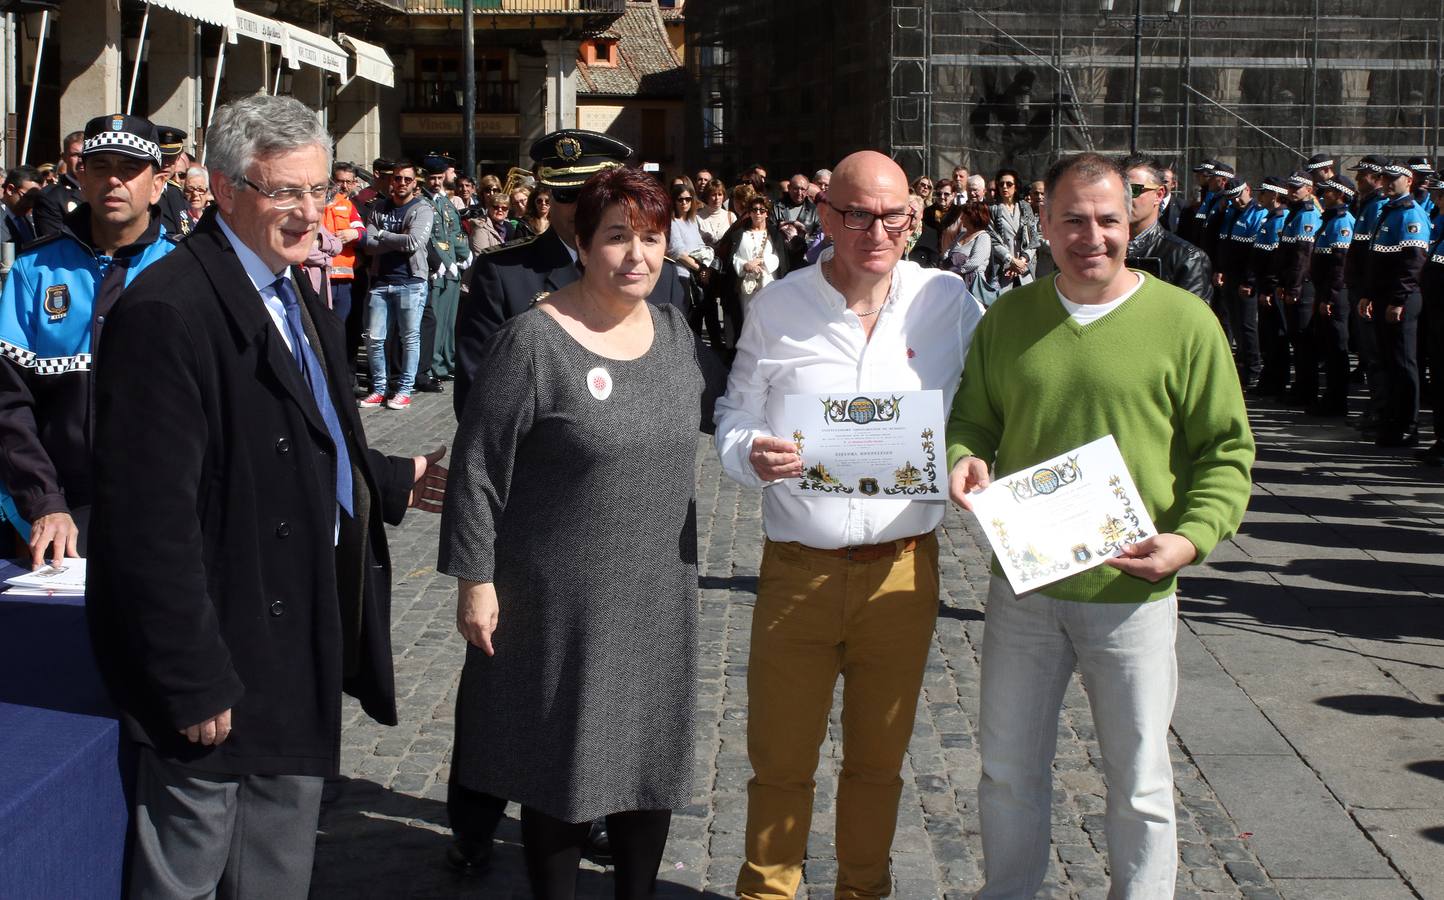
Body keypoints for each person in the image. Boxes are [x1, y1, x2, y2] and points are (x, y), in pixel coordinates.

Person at [85, 94, 446, 900]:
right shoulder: (168, 313)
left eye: (318, 189)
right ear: (223, 186)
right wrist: (190, 675)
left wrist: (394, 479)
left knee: (278, 869)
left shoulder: (295, 294)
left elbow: (301, 435)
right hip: (220, 654)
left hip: (297, 634)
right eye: (284, 191)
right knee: (189, 873)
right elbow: (147, 523)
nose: (309, 210)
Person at [946, 151, 1254, 900]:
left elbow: (1227, 452)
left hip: (1134, 594)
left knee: (1141, 782)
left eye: (1109, 219)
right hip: (1027, 589)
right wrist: (964, 458)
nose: (1093, 236)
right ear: (1044, 223)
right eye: (1074, 220)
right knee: (1009, 770)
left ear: (1134, 221)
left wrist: (1188, 540)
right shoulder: (1011, 317)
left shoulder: (1185, 323)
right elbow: (974, 419)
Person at [441, 166, 724, 900]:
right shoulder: (533, 341)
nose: (638, 255)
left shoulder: (673, 332)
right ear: (582, 240)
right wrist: (475, 581)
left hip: (658, 587)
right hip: (557, 593)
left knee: (647, 759)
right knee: (560, 765)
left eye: (653, 238)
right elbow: (476, 469)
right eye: (618, 237)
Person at [714, 150, 985, 900]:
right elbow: (735, 410)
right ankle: (767, 891)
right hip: (800, 570)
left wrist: (974, 457)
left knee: (877, 761)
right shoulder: (779, 305)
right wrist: (748, 453)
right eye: (857, 213)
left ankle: (864, 890)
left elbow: (985, 408)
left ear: (914, 216)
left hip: (902, 569)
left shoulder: (949, 302)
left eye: (893, 214)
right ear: (826, 216)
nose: (876, 229)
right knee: (779, 760)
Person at [0, 113, 175, 566]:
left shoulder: (186, 271)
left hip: (165, 516)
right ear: (81, 177)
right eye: (100, 167)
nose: (113, 179)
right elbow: (8, 400)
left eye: (130, 168)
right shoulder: (33, 270)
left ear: (158, 184)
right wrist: (43, 503)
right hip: (53, 519)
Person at [452, 130, 688, 419]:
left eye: (592, 194)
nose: (581, 207)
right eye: (567, 194)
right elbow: (476, 392)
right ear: (547, 196)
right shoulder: (504, 273)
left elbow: (683, 382)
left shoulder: (659, 275)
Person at [1359, 160, 1430, 447]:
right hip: (1383, 297)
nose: (1388, 183)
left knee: (1403, 362)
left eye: (1394, 179)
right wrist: (1368, 294)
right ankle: (1391, 418)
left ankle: (1407, 424)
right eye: (1385, 178)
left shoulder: (1410, 213)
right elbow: (1375, 261)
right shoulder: (1387, 211)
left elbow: (1413, 263)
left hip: (1401, 299)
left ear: (1408, 181)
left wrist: (1399, 300)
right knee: (1387, 361)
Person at [358, 159, 433, 411]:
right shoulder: (379, 207)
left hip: (411, 282)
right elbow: (367, 243)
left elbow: (413, 243)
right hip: (381, 282)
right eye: (397, 178)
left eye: (407, 179)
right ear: (391, 180)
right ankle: (379, 389)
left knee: (409, 338)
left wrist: (382, 235)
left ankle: (404, 389)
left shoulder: (422, 209)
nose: (401, 183)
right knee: (374, 338)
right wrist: (389, 238)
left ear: (414, 183)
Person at [1122, 155, 1211, 301]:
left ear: (1159, 194)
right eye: (1120, 189)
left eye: (1134, 189)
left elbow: (1190, 319)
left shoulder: (1188, 258)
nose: (1125, 197)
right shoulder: (1098, 249)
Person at [1303, 175, 1356, 416]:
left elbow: (1340, 265)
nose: (1323, 195)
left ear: (1341, 196)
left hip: (1336, 294)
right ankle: (1330, 397)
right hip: (1324, 291)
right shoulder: (1330, 220)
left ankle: (1337, 401)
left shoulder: (1343, 222)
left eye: (1329, 193)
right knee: (1327, 346)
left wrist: (1330, 297)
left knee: (1337, 348)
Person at [418, 154, 470, 393]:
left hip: (452, 270)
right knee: (436, 322)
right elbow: (429, 237)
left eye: (439, 177)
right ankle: (433, 365)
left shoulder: (445, 201)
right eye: (432, 178)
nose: (436, 182)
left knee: (449, 321)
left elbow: (455, 231)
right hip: (436, 269)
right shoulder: (422, 201)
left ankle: (446, 361)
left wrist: (464, 253)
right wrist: (444, 260)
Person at [668, 180, 720, 347]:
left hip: (699, 276)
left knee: (709, 316)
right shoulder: (672, 222)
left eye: (688, 199)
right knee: (691, 321)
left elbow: (699, 247)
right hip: (684, 277)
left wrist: (705, 269)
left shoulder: (691, 221)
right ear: (673, 201)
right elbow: (677, 252)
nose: (684, 203)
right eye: (680, 199)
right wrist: (700, 269)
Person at [324, 162, 364, 331]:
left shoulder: (349, 206)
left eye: (348, 182)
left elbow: (362, 232)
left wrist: (355, 234)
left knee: (341, 328)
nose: (344, 186)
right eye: (340, 181)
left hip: (345, 279)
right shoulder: (317, 203)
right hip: (320, 276)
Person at [986, 168, 1039, 294]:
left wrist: (1022, 261)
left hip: (1024, 268)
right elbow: (992, 240)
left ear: (1016, 187)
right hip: (1004, 268)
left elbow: (1033, 238)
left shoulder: (1025, 207)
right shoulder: (993, 210)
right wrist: (1011, 260)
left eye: (1009, 184)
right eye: (1001, 184)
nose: (1004, 187)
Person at [732, 194, 785, 310]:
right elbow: (735, 256)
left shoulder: (774, 235)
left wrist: (761, 261)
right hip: (748, 286)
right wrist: (745, 265)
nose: (758, 213)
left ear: (767, 213)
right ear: (749, 212)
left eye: (762, 210)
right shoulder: (740, 234)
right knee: (749, 318)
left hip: (768, 283)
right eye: (754, 210)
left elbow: (778, 257)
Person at [31, 131, 85, 237]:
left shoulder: (102, 191)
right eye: (75, 155)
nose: (81, 160)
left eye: (85, 155)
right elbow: (53, 242)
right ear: (64, 157)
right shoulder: (50, 197)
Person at [771, 174, 820, 269]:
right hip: (781, 258)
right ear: (789, 188)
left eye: (803, 189)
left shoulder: (815, 210)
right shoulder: (776, 207)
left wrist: (803, 239)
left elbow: (818, 235)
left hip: (804, 260)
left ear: (807, 190)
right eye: (796, 188)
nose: (799, 192)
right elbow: (770, 229)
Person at [153, 126, 194, 237]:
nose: (166, 163)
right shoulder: (144, 192)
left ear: (177, 159)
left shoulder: (174, 191)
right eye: (162, 157)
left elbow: (185, 229)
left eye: (170, 158)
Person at [944, 200, 992, 289]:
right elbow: (948, 251)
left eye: (964, 216)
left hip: (972, 286)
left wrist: (957, 271)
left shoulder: (983, 237)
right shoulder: (961, 234)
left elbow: (975, 262)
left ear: (973, 217)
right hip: (953, 282)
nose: (961, 219)